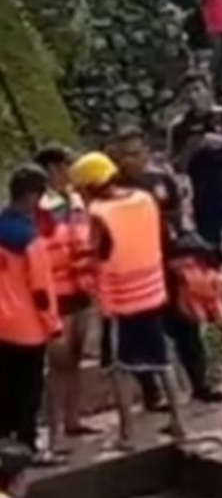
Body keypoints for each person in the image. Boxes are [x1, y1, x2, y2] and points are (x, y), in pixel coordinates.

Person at [70, 152, 185, 449]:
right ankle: (179, 423)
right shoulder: (145, 199)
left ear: (91, 186)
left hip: (121, 302)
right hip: (153, 292)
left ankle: (127, 435)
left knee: (120, 367)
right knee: (162, 360)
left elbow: (95, 251)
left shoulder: (98, 213)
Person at [110, 129, 222, 407]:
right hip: (135, 270)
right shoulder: (114, 189)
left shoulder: (161, 181)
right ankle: (152, 393)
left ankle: (200, 384)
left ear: (146, 153)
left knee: (186, 325)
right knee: (144, 333)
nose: (131, 160)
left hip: (169, 265)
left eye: (136, 153)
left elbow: (179, 219)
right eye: (125, 154)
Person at [31, 146, 95, 456]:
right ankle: (55, 434)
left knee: (77, 356)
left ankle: (74, 419)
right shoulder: (39, 209)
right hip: (57, 295)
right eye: (67, 167)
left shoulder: (75, 200)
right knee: (59, 363)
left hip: (81, 289)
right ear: (53, 170)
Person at [0, 166, 60, 457]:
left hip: (2, 326)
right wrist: (53, 325)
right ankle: (26, 444)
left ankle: (4, 438)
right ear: (33, 197)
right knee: (29, 390)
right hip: (28, 329)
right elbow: (41, 290)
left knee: (5, 385)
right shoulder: (29, 238)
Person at [169, 73, 222, 253]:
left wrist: (218, 141)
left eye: (197, 89)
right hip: (202, 191)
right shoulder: (180, 126)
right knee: (210, 246)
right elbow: (176, 166)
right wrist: (191, 149)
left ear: (207, 91)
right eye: (188, 92)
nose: (193, 96)